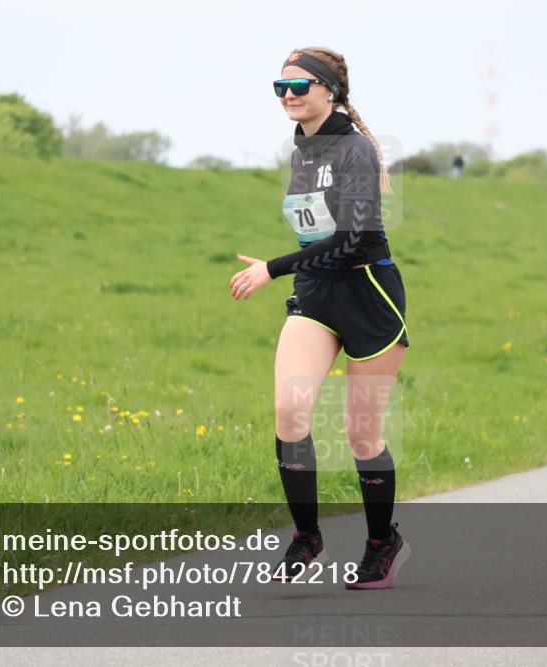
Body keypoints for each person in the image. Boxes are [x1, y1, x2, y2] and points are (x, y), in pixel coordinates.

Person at [229, 46, 411, 590]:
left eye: (299, 86)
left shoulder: (353, 150)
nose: (288, 96)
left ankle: (383, 543)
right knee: (289, 409)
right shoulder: (300, 148)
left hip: (369, 295)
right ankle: (307, 535)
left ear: (329, 91)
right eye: (280, 88)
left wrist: (273, 268)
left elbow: (353, 240)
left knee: (361, 435)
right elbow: (315, 231)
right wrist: (293, 270)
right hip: (316, 293)